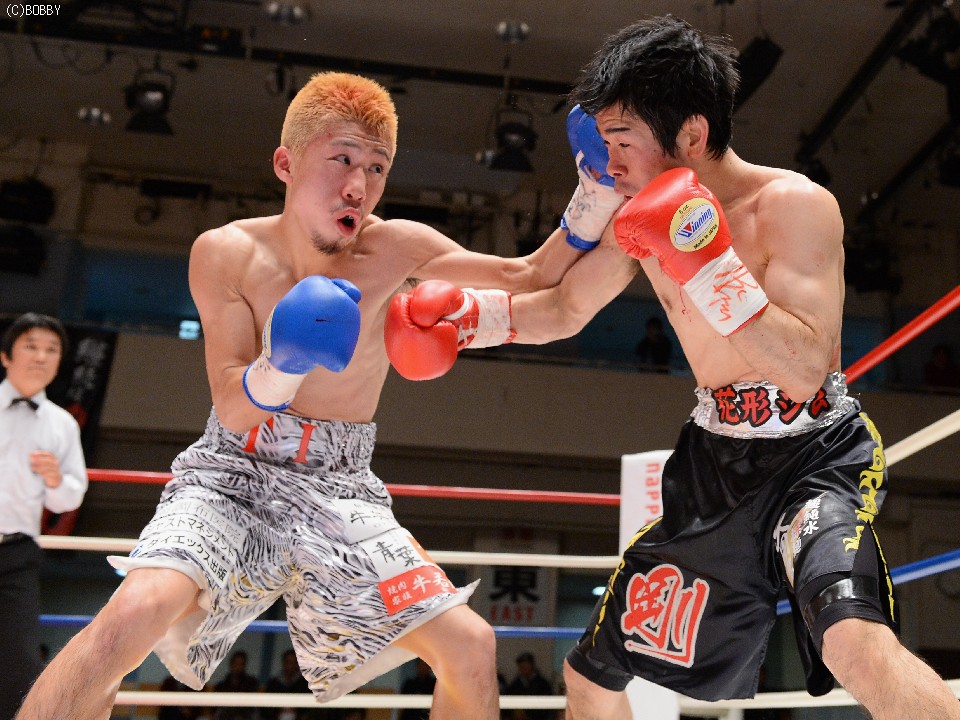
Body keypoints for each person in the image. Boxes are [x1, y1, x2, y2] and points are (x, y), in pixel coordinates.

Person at [383, 16, 960, 720]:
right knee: (590, 677)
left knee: (852, 643)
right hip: (713, 467)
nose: (610, 162)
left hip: (813, 455)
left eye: (622, 140)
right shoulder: (638, 220)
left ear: (690, 133)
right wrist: (466, 322)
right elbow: (563, 306)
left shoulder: (794, 205)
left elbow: (806, 368)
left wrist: (707, 264)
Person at [15, 70, 624, 720]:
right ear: (286, 163)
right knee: (130, 615)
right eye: (342, 159)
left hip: (341, 485)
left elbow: (531, 275)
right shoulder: (226, 253)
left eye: (377, 167)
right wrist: (283, 362)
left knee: (470, 645)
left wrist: (599, 189)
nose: (359, 185)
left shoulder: (396, 247)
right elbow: (234, 406)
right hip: (233, 474)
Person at [0, 312, 88, 720]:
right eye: (31, 346)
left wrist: (54, 479)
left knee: (18, 663)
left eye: (51, 349)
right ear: (6, 355)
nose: (41, 356)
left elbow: (70, 497)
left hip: (16, 554)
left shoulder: (62, 423)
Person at [504, 652, 553, 720]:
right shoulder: (515, 685)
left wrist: (530, 716)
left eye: (526, 665)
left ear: (532, 665)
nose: (524, 668)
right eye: (521, 666)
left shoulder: (543, 684)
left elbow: (547, 707)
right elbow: (507, 704)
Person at [213, 650, 260, 720]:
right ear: (231, 664)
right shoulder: (222, 685)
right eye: (236, 663)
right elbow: (216, 708)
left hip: (245, 716)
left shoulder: (251, 683)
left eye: (241, 664)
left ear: (244, 666)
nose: (238, 667)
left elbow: (251, 706)